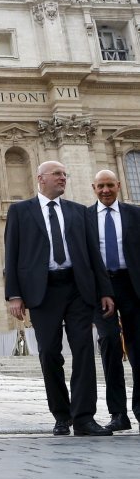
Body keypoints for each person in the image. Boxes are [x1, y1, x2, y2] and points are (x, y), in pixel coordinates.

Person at [5, 161, 115, 437]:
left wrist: (105, 291)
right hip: (43, 291)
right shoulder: (20, 211)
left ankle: (84, 417)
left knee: (84, 351)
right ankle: (61, 415)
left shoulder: (79, 211)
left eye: (65, 175)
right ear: (41, 179)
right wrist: (14, 295)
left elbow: (94, 255)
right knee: (49, 353)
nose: (63, 178)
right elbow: (12, 253)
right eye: (57, 174)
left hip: (78, 288)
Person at [88, 169, 140, 432]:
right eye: (101, 186)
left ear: (118, 186)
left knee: (138, 348)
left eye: (110, 185)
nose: (106, 190)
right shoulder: (84, 218)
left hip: (133, 287)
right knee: (109, 342)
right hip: (101, 288)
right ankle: (118, 413)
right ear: (93, 188)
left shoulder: (135, 214)